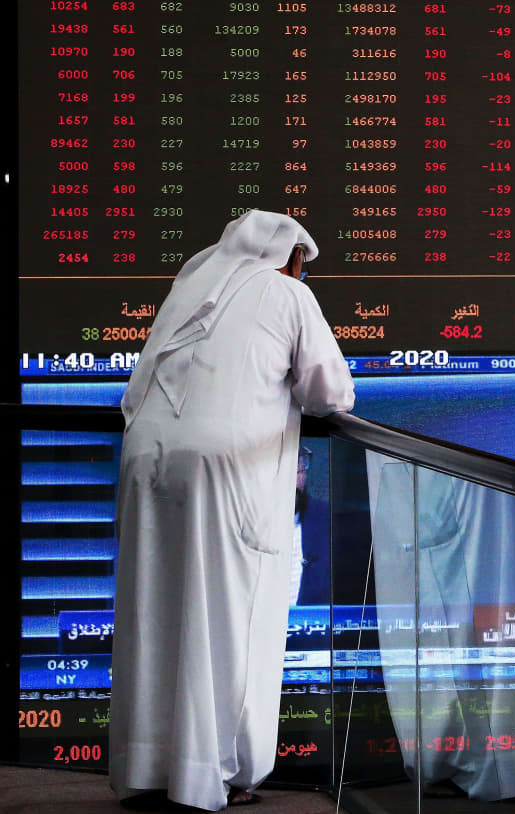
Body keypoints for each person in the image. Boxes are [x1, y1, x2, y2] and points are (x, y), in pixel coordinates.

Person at [109, 210, 355, 810]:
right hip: (224, 469)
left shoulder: (187, 287)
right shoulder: (286, 292)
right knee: (226, 619)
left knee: (154, 609)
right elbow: (329, 392)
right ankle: (209, 777)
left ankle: (147, 768)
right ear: (292, 257)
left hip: (145, 460)